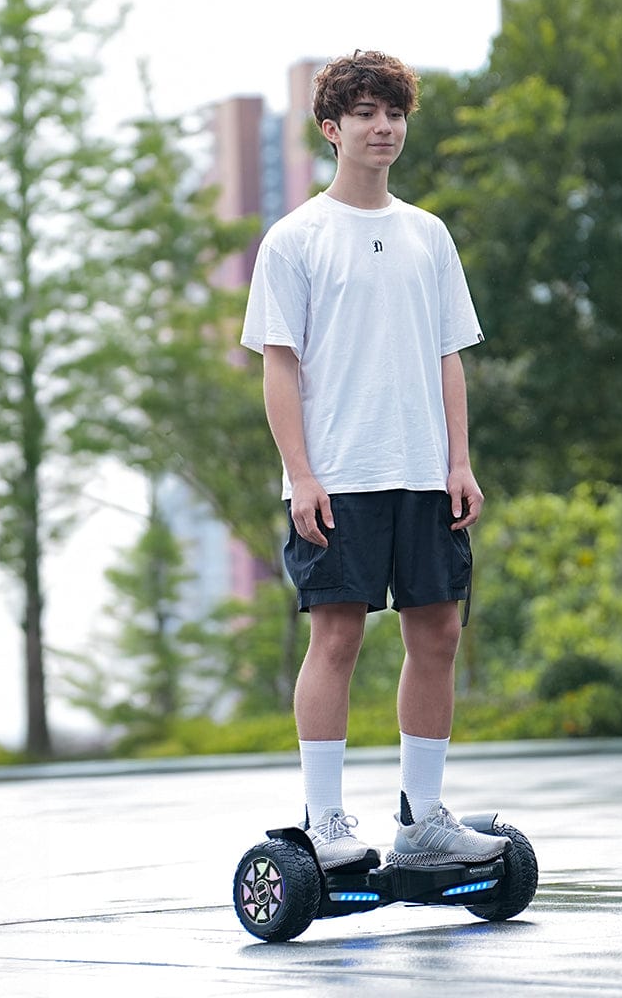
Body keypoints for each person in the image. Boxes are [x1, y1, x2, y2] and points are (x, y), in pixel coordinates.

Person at [240, 50, 508, 871]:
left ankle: (423, 820)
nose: (383, 126)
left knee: (439, 633)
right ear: (332, 129)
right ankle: (325, 823)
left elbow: (447, 358)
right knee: (338, 640)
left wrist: (460, 463)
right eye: (364, 113)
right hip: (339, 478)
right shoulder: (296, 240)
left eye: (393, 112)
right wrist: (302, 474)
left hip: (425, 474)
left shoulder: (428, 235)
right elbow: (278, 366)